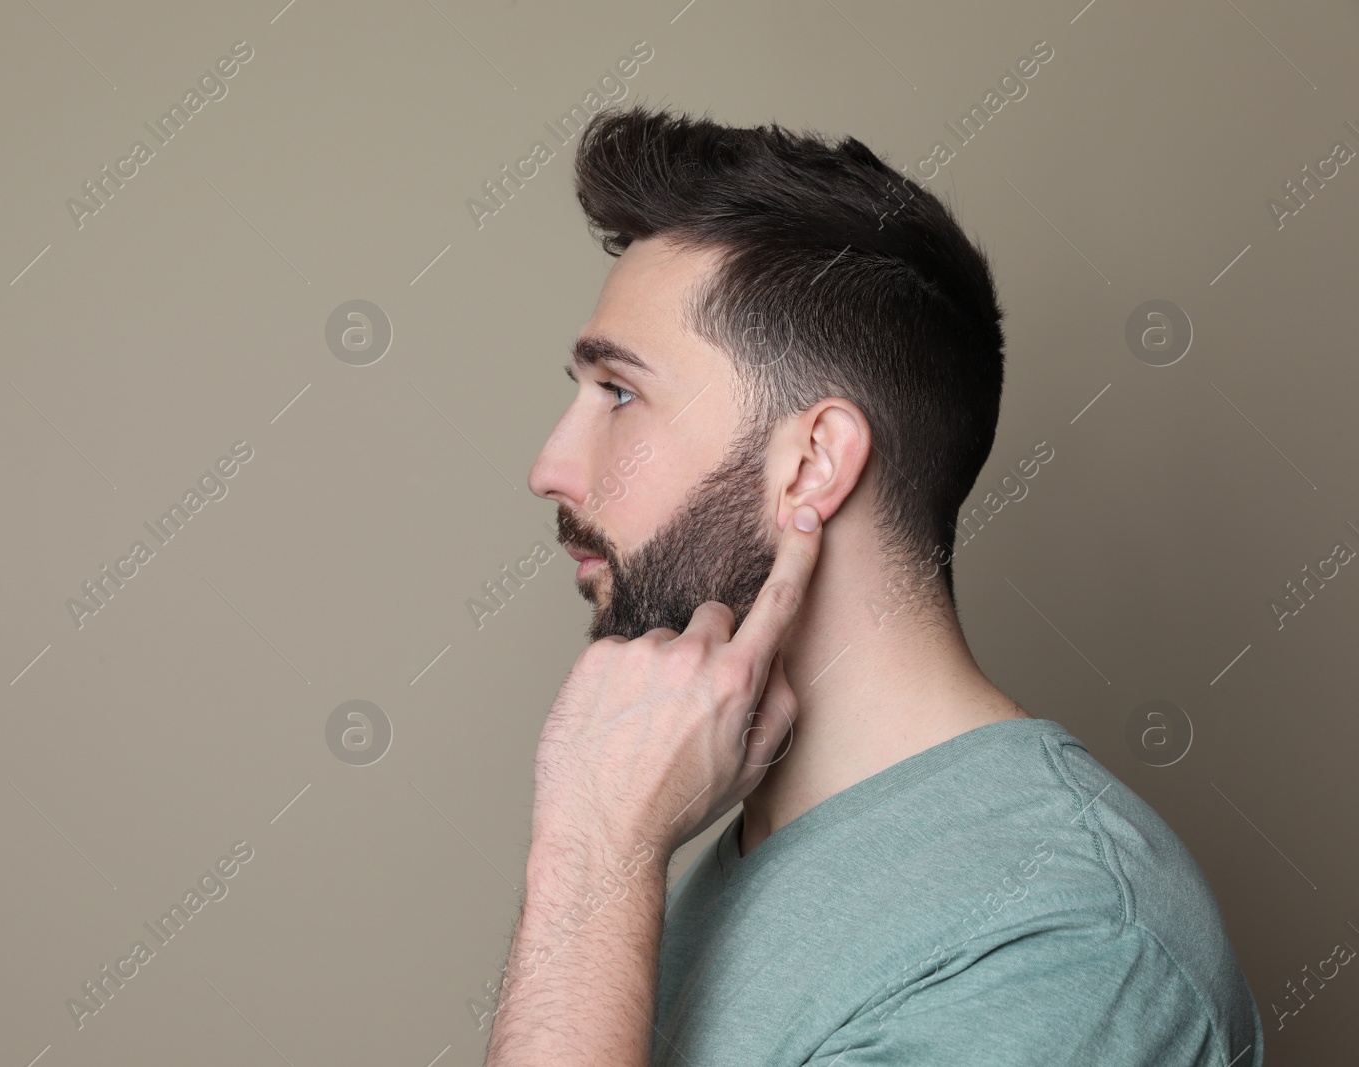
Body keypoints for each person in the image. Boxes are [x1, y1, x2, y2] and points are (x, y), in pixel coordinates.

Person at [483, 103, 1263, 1066]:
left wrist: (592, 853)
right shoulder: (746, 845)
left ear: (813, 464)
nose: (551, 467)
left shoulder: (1062, 938)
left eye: (618, 394)